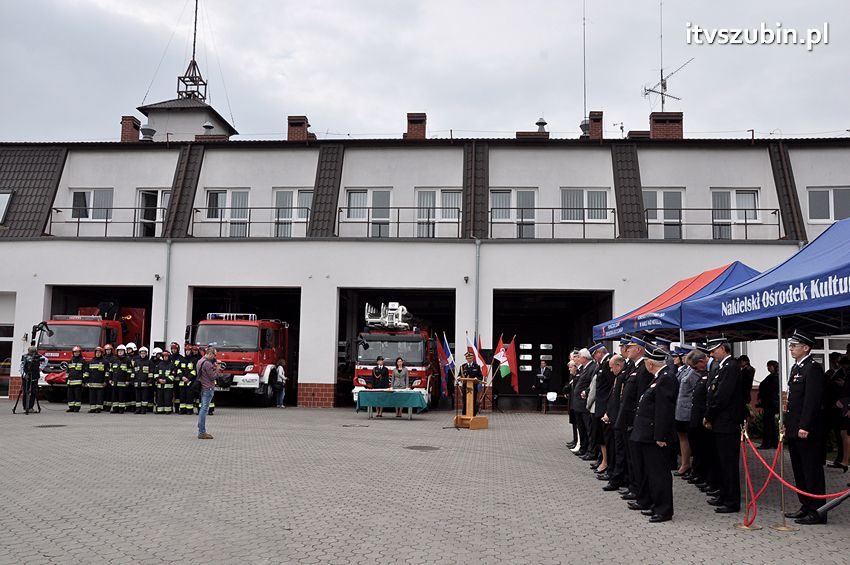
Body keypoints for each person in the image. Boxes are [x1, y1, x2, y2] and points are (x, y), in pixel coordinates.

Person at [783, 330, 827, 525]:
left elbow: (812, 401)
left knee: (811, 470)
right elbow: (793, 401)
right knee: (799, 470)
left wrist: (805, 426)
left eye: (795, 345)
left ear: (806, 347)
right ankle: (805, 505)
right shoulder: (797, 368)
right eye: (791, 345)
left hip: (806, 429)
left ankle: (818, 510)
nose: (791, 348)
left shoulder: (813, 368)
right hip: (794, 428)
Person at [630, 344, 677, 523]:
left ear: (650, 364)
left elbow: (663, 411)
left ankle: (664, 510)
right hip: (648, 435)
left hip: (656, 436)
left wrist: (660, 436)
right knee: (652, 473)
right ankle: (656, 505)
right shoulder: (659, 377)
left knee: (659, 474)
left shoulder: (666, 378)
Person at [703, 338, 742, 514]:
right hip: (720, 422)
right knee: (721, 462)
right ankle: (724, 494)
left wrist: (709, 415)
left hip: (727, 422)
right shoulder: (723, 367)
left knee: (728, 464)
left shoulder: (731, 366)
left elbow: (722, 396)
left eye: (714, 350)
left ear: (723, 348)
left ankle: (731, 501)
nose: (711, 354)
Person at [602, 354, 628, 492]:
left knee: (620, 452)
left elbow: (620, 401)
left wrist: (612, 416)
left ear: (618, 365)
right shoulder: (619, 376)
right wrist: (608, 413)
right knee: (617, 450)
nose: (611, 371)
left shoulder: (623, 376)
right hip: (614, 417)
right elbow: (613, 398)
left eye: (612, 367)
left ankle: (618, 478)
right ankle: (616, 476)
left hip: (619, 419)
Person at [673, 347, 698, 477]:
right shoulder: (684, 370)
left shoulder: (695, 372)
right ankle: (685, 463)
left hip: (688, 410)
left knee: (691, 439)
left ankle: (690, 466)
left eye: (683, 355)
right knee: (682, 437)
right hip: (680, 410)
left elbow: (695, 391)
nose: (681, 358)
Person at [195, 347, 221, 439]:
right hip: (208, 388)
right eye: (214, 355)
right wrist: (217, 369)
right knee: (204, 409)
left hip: (202, 387)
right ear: (210, 354)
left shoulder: (200, 361)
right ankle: (202, 431)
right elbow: (213, 377)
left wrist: (212, 367)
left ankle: (200, 428)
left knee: (203, 408)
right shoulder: (207, 363)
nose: (215, 357)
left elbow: (204, 374)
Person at [757, 360, 780, 449]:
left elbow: (769, 389)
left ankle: (767, 443)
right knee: (770, 424)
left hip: (771, 403)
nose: (768, 368)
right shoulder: (771, 377)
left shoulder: (774, 377)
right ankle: (774, 442)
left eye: (769, 366)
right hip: (769, 403)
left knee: (768, 424)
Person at [20, 346, 46, 413]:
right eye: (31, 352)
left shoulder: (39, 357)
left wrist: (41, 368)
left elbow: (45, 360)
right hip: (26, 376)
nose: (32, 354)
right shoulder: (25, 357)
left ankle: (30, 407)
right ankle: (25, 407)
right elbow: (21, 366)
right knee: (26, 392)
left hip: (34, 376)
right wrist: (24, 375)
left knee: (33, 392)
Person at [459, 351, 483, 416]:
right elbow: (459, 375)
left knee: (473, 400)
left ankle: (473, 414)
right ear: (466, 359)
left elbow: (480, 376)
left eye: (470, 358)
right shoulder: (463, 366)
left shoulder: (477, 366)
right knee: (465, 400)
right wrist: (459, 378)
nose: (469, 360)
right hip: (465, 386)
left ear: (472, 358)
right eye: (468, 358)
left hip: (473, 386)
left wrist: (477, 379)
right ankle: (464, 414)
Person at [85, 346, 107, 413]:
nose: (98, 354)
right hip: (92, 383)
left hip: (100, 383)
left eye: (99, 352)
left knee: (99, 396)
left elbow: (107, 373)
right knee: (92, 396)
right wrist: (86, 381)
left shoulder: (104, 362)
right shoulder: (91, 361)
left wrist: (105, 381)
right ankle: (92, 408)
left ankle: (99, 408)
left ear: (101, 353)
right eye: (97, 352)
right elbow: (87, 372)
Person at [111, 344, 133, 413]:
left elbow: (129, 372)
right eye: (119, 351)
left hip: (123, 382)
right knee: (114, 396)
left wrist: (128, 380)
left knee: (122, 396)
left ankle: (121, 409)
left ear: (124, 352)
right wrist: (110, 379)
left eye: (121, 351)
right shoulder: (114, 359)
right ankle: (115, 408)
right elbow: (111, 370)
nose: (120, 352)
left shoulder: (127, 360)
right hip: (115, 382)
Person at [133, 346, 154, 414]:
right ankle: (138, 409)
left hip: (145, 383)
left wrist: (149, 381)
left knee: (144, 397)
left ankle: (143, 409)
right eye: (141, 353)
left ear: (146, 354)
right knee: (138, 397)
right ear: (139, 354)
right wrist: (133, 380)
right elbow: (134, 372)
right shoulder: (136, 362)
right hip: (137, 383)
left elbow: (151, 373)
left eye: (144, 353)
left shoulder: (149, 362)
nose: (142, 354)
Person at [65, 345, 87, 413]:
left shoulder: (82, 361)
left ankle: (77, 408)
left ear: (80, 353)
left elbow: (85, 371)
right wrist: (66, 379)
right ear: (73, 353)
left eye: (78, 352)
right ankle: (71, 407)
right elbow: (68, 371)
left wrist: (84, 381)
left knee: (77, 396)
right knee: (70, 395)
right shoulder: (71, 361)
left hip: (78, 382)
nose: (76, 353)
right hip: (70, 381)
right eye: (75, 352)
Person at [154, 349, 176, 414]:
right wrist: (158, 379)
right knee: (159, 398)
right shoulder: (159, 365)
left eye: (166, 356)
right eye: (164, 356)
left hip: (168, 386)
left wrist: (166, 380)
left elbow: (173, 375)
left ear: (168, 357)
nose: (165, 357)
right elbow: (155, 374)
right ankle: (160, 410)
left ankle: (168, 410)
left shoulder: (172, 365)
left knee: (168, 398)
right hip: (160, 385)